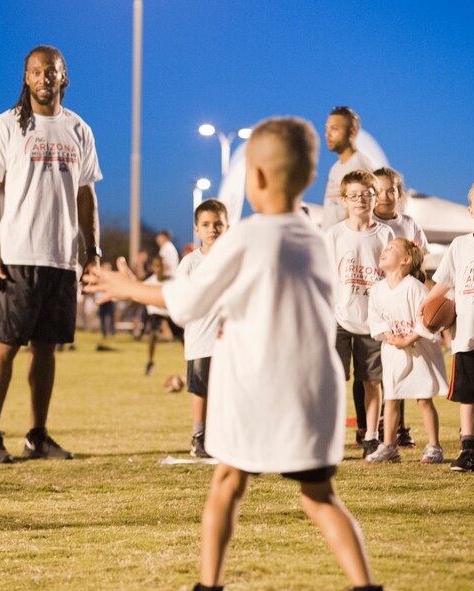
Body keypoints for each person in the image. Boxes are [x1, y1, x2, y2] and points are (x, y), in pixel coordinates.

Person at [84, 117, 380, 591]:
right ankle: (366, 586)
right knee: (321, 498)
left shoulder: (246, 237)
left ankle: (209, 584)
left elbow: (186, 301)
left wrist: (131, 288)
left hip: (258, 388)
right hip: (315, 391)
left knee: (227, 485)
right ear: (308, 178)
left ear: (256, 177)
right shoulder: (314, 239)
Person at [0, 44, 102, 463]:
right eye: (35, 72)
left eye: (51, 71)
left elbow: (86, 196)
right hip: (17, 254)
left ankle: (37, 436)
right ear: (25, 78)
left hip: (61, 257)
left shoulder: (79, 129)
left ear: (64, 76)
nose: (44, 78)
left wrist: (92, 251)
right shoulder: (5, 126)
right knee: (5, 344)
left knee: (47, 347)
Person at [325, 169, 394, 457]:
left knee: (372, 381)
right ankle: (326, 436)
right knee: (331, 380)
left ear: (374, 198)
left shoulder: (384, 233)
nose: (360, 200)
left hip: (372, 321)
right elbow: (327, 276)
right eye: (353, 196)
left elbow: (391, 277)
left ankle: (371, 437)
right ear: (343, 200)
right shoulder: (334, 234)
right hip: (340, 318)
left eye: (366, 195)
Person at [366, 238, 446, 464]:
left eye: (391, 249)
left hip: (417, 350)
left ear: (406, 260)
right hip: (393, 351)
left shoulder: (414, 287)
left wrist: (410, 337)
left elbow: (429, 320)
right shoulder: (378, 289)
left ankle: (434, 447)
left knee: (423, 398)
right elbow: (376, 319)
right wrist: (389, 336)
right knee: (391, 398)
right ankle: (389, 445)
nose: (385, 250)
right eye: (385, 247)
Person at [422, 179, 474, 472]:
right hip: (467, 337)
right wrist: (425, 305)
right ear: (469, 211)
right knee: (468, 397)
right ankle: (468, 449)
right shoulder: (460, 246)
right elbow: (444, 283)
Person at [372, 166, 429, 447]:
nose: (385, 196)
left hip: (406, 301)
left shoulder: (409, 223)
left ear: (399, 193)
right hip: (381, 301)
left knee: (409, 366)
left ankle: (401, 428)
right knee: (378, 373)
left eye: (390, 190)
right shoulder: (369, 223)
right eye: (379, 190)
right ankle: (372, 428)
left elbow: (422, 257)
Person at [177, 199, 229, 457]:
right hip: (201, 339)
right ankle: (199, 436)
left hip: (230, 340)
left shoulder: (234, 259)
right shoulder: (190, 263)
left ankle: (222, 436)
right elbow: (179, 298)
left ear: (227, 226)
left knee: (227, 389)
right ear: (196, 229)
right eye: (206, 225)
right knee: (201, 390)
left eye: (218, 224)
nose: (213, 230)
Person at [321, 106, 377, 231]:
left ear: (352, 132)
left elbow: (361, 215)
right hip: (330, 244)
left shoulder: (360, 166)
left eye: (334, 129)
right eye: (326, 129)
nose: (327, 134)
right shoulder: (335, 168)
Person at [143, 256, 183, 375]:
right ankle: (150, 362)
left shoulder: (171, 280)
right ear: (153, 268)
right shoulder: (149, 282)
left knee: (183, 337)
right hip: (156, 314)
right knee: (153, 334)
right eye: (156, 266)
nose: (159, 268)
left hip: (170, 313)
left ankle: (192, 359)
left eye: (161, 265)